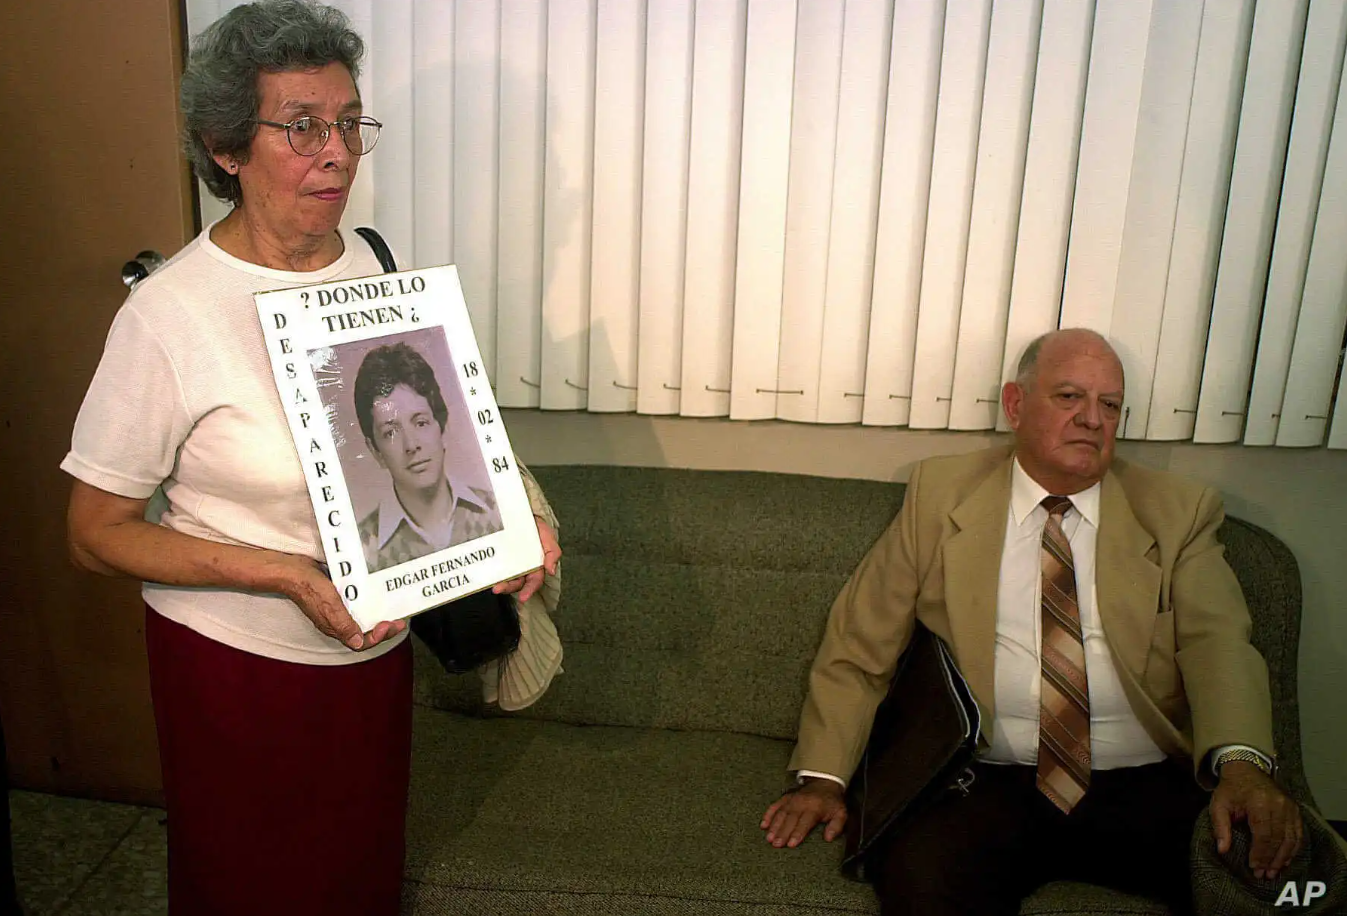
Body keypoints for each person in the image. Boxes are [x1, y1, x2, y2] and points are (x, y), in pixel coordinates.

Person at [61, 3, 560, 914]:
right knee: (248, 885)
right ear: (224, 147)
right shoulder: (168, 316)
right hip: (237, 668)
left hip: (371, 657)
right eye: (300, 127)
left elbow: (445, 431)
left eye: (346, 123)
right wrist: (289, 576)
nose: (336, 152)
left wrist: (516, 518)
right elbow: (94, 535)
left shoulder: (371, 264)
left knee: (354, 878)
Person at [761, 329, 1303, 916]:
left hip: (1141, 778)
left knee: (1280, 883)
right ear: (1016, 405)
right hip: (985, 779)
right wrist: (823, 778)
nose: (1092, 419)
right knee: (921, 887)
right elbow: (861, 643)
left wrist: (1244, 768)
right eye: (1069, 397)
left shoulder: (1180, 511)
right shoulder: (940, 496)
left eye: (1110, 404)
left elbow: (1217, 643)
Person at [354, 342, 504, 573]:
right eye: (390, 432)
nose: (412, 445)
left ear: (440, 426)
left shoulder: (496, 511)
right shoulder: (360, 549)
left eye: (421, 423)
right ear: (375, 451)